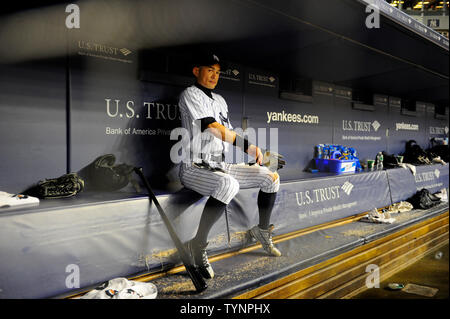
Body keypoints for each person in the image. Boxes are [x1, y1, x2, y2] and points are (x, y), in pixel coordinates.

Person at [177, 52, 284, 279]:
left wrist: (257, 156)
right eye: (210, 70)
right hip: (194, 166)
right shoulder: (190, 94)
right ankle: (197, 245)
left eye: (217, 72)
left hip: (221, 164)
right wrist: (249, 147)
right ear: (197, 71)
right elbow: (211, 127)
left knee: (270, 176)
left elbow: (228, 133)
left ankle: (262, 231)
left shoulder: (221, 100)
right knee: (227, 184)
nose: (214, 75)